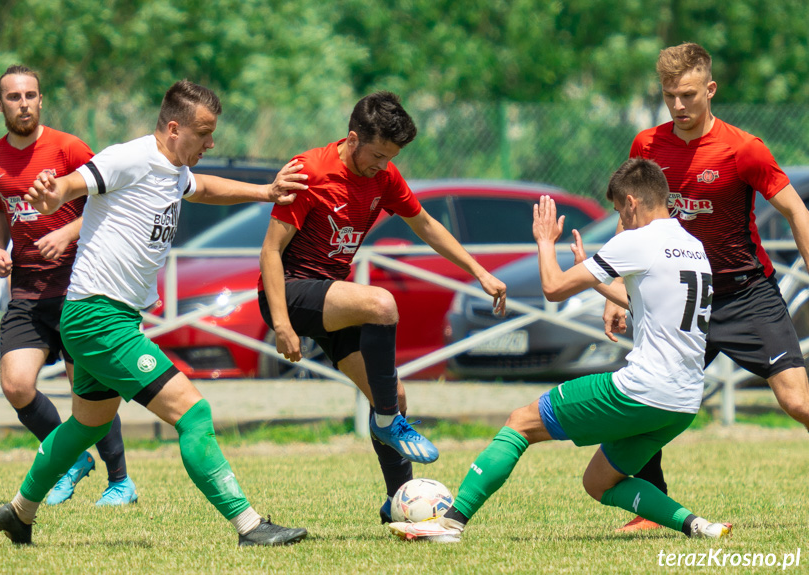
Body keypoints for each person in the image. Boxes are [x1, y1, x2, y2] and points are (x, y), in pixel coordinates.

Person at [0, 80, 309, 547]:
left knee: (87, 425)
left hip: (99, 316)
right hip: (99, 318)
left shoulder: (174, 168)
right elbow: (74, 183)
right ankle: (250, 526)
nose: (210, 142)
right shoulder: (132, 156)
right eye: (203, 133)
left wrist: (265, 192)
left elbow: (202, 189)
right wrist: (52, 193)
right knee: (194, 414)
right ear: (173, 127)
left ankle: (20, 512)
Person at [389, 158, 733, 543]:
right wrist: (590, 270)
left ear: (632, 203)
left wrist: (544, 242)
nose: (622, 218)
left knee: (521, 421)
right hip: (683, 402)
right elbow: (644, 301)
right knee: (598, 482)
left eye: (620, 210)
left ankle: (449, 524)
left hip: (643, 388)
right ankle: (699, 527)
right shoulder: (692, 246)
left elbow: (552, 288)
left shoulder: (638, 239)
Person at [257, 91, 507, 523]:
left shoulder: (384, 178)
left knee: (393, 396)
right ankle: (389, 422)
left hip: (332, 298)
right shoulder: (311, 171)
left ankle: (399, 503)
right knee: (381, 303)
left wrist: (478, 271)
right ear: (352, 138)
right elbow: (269, 252)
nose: (382, 164)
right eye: (376, 154)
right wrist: (281, 323)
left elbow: (425, 224)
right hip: (290, 291)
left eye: (389, 157)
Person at [605, 42, 809, 533]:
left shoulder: (744, 148)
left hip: (745, 293)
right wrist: (615, 284)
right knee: (644, 399)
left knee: (797, 400)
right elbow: (629, 219)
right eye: (670, 95)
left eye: (688, 94)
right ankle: (651, 508)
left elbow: (796, 211)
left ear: (710, 90)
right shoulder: (647, 145)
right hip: (677, 300)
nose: (678, 105)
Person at [0, 65, 137, 506]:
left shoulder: (69, 148)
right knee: (15, 384)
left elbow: (111, 207)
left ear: (41, 99)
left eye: (31, 94)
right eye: (14, 97)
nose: (23, 103)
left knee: (88, 390)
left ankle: (120, 481)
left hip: (78, 287)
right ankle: (71, 460)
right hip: (27, 291)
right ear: (0, 104)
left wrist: (66, 233)